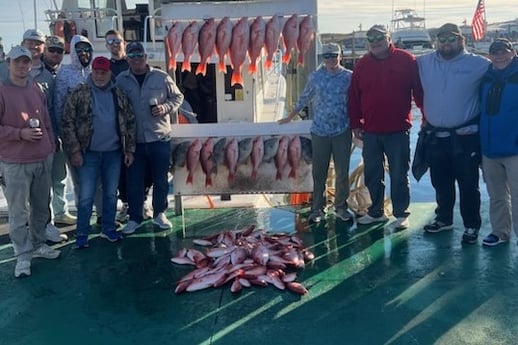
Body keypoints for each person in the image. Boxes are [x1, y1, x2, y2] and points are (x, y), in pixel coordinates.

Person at [417, 23, 490, 243]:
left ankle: (471, 225)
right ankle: (444, 219)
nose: (447, 44)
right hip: (435, 137)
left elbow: (506, 67)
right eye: (442, 40)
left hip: (465, 138)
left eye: (452, 39)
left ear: (461, 40)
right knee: (440, 181)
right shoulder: (423, 62)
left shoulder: (479, 64)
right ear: (436, 41)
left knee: (468, 183)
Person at [348, 24, 423, 229]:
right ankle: (376, 212)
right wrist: (355, 123)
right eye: (371, 39)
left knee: (399, 173)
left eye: (379, 37)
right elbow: (353, 97)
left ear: (389, 38)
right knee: (373, 173)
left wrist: (426, 116)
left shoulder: (406, 60)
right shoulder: (362, 65)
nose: (375, 42)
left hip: (398, 130)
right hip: (370, 131)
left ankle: (401, 213)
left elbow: (418, 92)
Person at [62, 56, 136, 248]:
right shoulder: (79, 92)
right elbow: (67, 122)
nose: (100, 76)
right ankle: (81, 234)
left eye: (104, 72)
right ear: (92, 72)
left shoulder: (119, 93)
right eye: (97, 72)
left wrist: (129, 150)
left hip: (114, 153)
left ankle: (108, 229)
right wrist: (75, 151)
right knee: (86, 196)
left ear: (110, 73)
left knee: (111, 194)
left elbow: (129, 122)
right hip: (89, 153)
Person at [0, 46, 60, 278]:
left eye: (25, 62)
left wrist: (50, 145)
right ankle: (22, 255)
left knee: (41, 207)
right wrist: (20, 134)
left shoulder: (35, 87)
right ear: (8, 65)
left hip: (42, 158)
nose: (22, 66)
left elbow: (45, 118)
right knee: (18, 212)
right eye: (17, 62)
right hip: (15, 161)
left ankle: (38, 245)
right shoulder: (2, 91)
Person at [279, 43, 353, 223]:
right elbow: (305, 97)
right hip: (320, 131)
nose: (330, 59)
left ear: (340, 56)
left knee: (343, 172)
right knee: (319, 172)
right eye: (327, 56)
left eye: (334, 55)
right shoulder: (315, 76)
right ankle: (317, 208)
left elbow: (358, 99)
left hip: (342, 130)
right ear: (322, 58)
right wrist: (290, 116)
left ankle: (341, 207)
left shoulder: (349, 77)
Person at [117, 42, 184, 234]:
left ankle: (159, 213)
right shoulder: (121, 79)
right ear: (127, 58)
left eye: (139, 55)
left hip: (159, 137)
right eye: (132, 55)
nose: (136, 59)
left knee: (161, 179)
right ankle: (135, 217)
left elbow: (177, 97)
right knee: (134, 181)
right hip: (134, 141)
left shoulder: (161, 77)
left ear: (146, 57)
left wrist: (165, 108)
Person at [54, 34, 104, 225]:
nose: (85, 53)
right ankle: (84, 216)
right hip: (74, 139)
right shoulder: (64, 74)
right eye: (80, 49)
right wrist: (64, 137)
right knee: (80, 181)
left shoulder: (97, 71)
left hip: (99, 138)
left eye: (88, 49)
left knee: (99, 179)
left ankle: (101, 215)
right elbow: (59, 107)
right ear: (74, 52)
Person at [478, 39, 518, 246]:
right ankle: (500, 232)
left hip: (515, 149)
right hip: (489, 149)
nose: (500, 55)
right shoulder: (485, 77)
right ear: (489, 55)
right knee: (497, 195)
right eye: (495, 52)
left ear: (513, 53)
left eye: (504, 51)